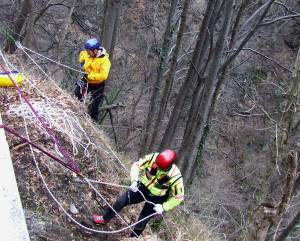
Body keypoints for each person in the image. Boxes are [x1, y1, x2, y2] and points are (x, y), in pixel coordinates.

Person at [92, 149, 184, 237]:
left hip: (157, 197)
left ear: (169, 167)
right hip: (141, 188)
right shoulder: (153, 158)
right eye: (157, 165)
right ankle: (104, 219)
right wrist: (134, 181)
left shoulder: (175, 176)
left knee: (142, 221)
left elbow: (179, 197)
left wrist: (164, 207)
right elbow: (137, 165)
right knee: (121, 200)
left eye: (161, 168)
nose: (158, 168)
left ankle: (133, 237)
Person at [74, 38, 111, 121]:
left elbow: (103, 75)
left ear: (95, 50)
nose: (87, 52)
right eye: (87, 51)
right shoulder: (87, 54)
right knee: (76, 94)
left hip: (97, 85)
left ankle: (92, 123)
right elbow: (82, 54)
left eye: (89, 51)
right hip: (86, 79)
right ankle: (76, 113)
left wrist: (89, 76)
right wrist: (82, 63)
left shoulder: (105, 61)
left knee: (94, 106)